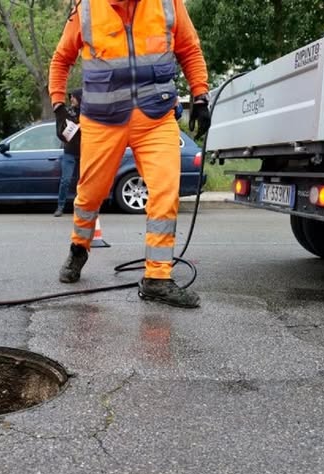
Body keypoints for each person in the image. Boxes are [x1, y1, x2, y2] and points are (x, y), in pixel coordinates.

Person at [48, 0, 211, 308]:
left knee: (165, 191)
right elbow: (61, 60)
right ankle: (79, 248)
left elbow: (189, 48)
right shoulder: (85, 9)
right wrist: (58, 106)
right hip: (101, 120)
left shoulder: (168, 3)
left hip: (156, 117)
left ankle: (157, 278)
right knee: (90, 194)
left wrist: (200, 96)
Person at [54, 89, 82, 217]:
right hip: (69, 152)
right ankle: (60, 207)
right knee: (65, 180)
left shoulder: (87, 114)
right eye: (70, 97)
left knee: (82, 181)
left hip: (84, 152)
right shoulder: (69, 112)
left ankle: (79, 206)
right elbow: (60, 117)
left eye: (74, 97)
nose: (71, 99)